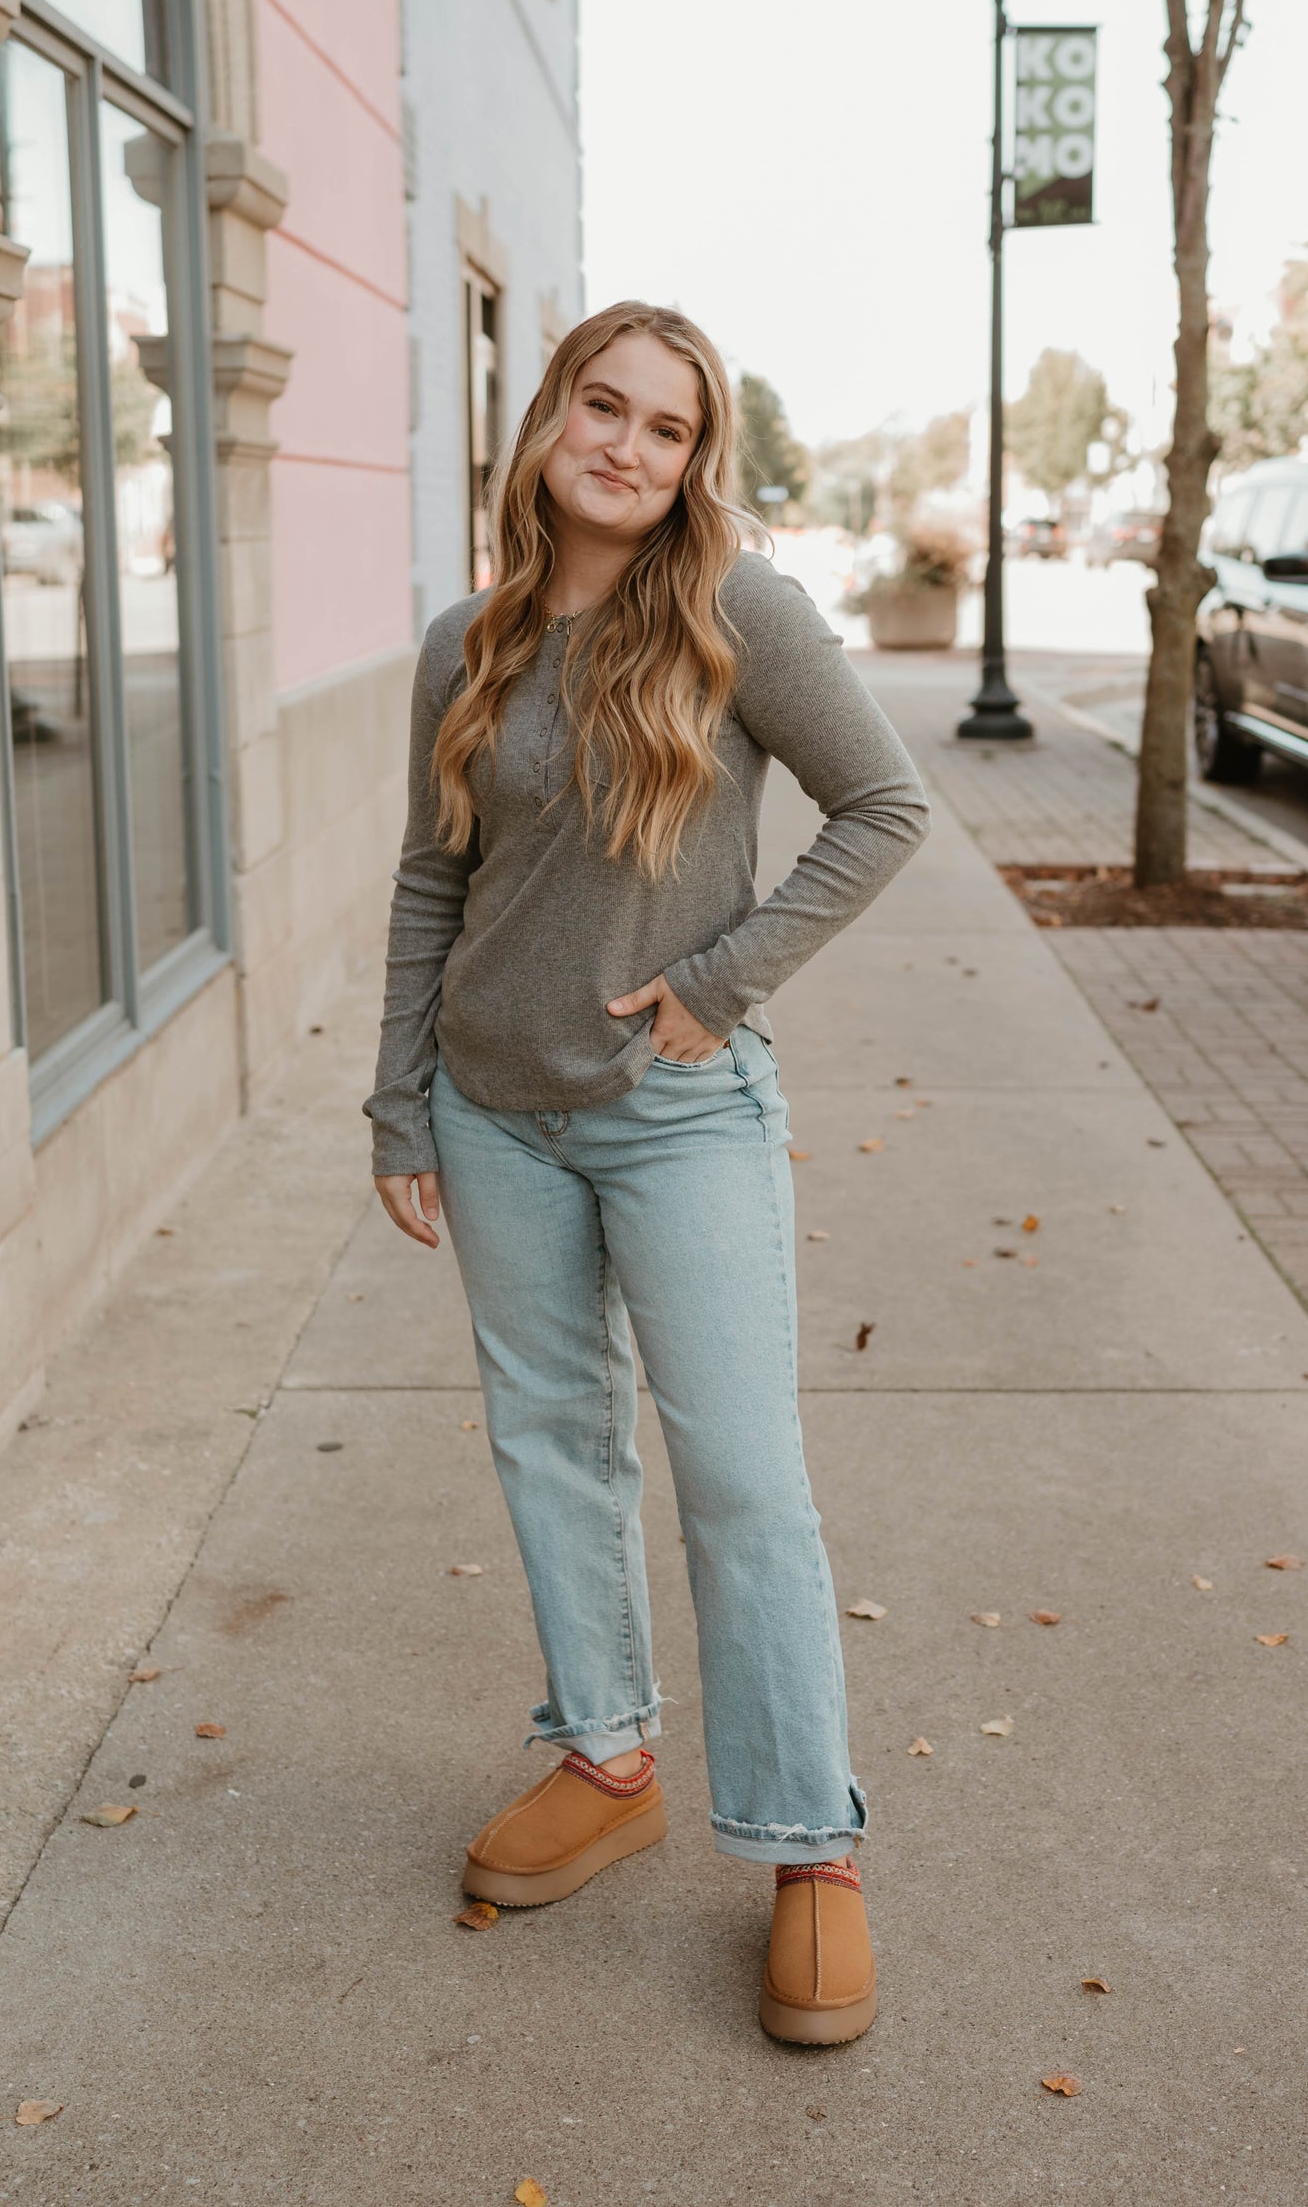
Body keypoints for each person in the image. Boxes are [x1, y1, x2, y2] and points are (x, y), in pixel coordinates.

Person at [366, 301, 929, 2045]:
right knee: (550, 1437)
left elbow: (883, 809)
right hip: (490, 1105)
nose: (625, 445)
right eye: (600, 407)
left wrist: (717, 982)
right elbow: (427, 883)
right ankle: (606, 1756)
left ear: (696, 460)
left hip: (677, 1110)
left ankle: (808, 1845)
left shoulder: (732, 609)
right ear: (547, 420)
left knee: (742, 1475)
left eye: (666, 427)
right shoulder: (463, 639)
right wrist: (398, 1105)